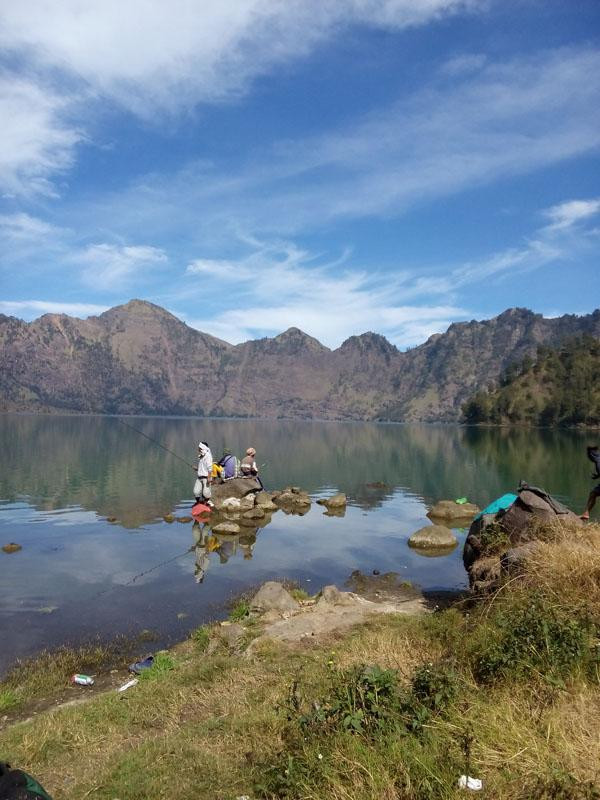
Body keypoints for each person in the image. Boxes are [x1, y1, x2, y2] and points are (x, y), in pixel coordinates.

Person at [580, 445, 600, 520]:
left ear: (592, 455)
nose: (589, 458)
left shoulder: (598, 461)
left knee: (593, 494)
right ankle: (586, 513)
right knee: (593, 494)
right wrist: (597, 476)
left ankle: (586, 513)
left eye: (589, 456)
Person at [194, 441, 213, 507]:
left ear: (202, 448)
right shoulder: (201, 456)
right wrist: (197, 469)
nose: (198, 449)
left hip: (206, 477)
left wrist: (209, 477)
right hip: (199, 477)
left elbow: (210, 468)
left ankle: (205, 504)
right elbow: (202, 467)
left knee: (206, 493)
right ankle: (198, 503)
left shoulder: (208, 456)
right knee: (196, 492)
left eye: (199, 448)